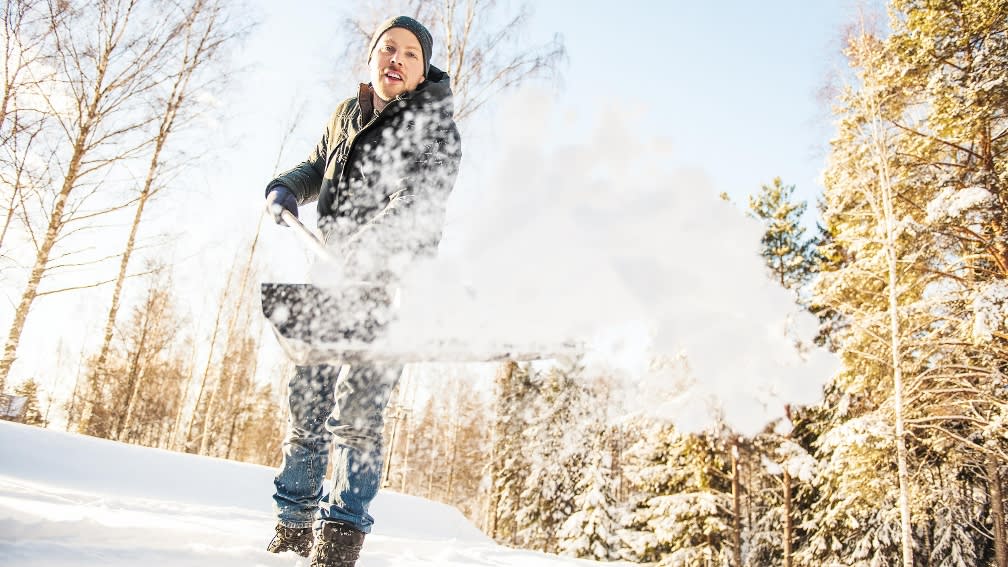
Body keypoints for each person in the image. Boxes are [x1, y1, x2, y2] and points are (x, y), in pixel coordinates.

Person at [262, 15, 461, 567]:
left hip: (392, 287)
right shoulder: (347, 113)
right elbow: (319, 163)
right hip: (331, 277)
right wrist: (288, 187)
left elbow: (417, 203)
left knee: (357, 414)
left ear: (422, 73)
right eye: (387, 49)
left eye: (410, 55)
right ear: (371, 59)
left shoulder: (434, 128)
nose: (396, 59)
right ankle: (294, 522)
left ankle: (341, 537)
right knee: (308, 400)